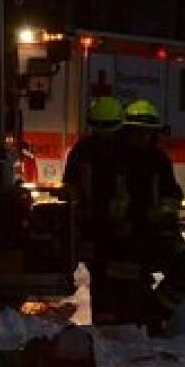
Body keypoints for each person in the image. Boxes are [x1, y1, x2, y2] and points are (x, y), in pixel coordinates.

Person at [96, 99, 185, 335]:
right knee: (130, 282)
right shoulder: (114, 161)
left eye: (146, 132)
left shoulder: (159, 160)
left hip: (158, 232)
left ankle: (154, 316)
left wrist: (166, 216)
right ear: (127, 130)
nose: (141, 137)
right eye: (136, 131)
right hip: (125, 234)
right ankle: (142, 322)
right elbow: (108, 201)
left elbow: (171, 193)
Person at [61, 96, 125, 254]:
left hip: (91, 224)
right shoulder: (126, 150)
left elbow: (69, 184)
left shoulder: (82, 149)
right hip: (114, 225)